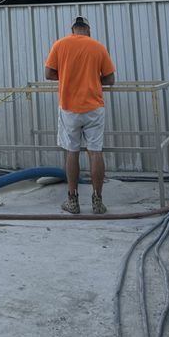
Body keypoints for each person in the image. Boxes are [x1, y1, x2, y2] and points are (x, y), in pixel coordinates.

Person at [45, 16, 115, 214]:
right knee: (95, 152)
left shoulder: (60, 44)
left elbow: (49, 74)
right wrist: (92, 77)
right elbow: (110, 79)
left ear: (73, 30)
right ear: (88, 31)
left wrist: (67, 76)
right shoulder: (98, 47)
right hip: (94, 108)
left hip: (69, 108)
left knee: (72, 152)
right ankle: (97, 201)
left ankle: (73, 201)